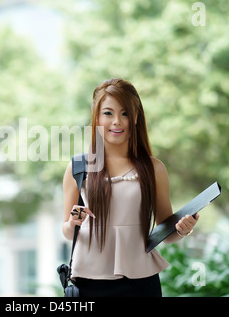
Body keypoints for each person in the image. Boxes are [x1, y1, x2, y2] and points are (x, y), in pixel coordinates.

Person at [62, 78, 199, 297]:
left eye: (125, 113)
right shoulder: (78, 167)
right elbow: (68, 232)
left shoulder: (153, 169)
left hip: (140, 284)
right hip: (89, 283)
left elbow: (166, 230)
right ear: (96, 117)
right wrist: (72, 222)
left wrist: (183, 229)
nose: (117, 121)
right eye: (108, 113)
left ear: (135, 118)